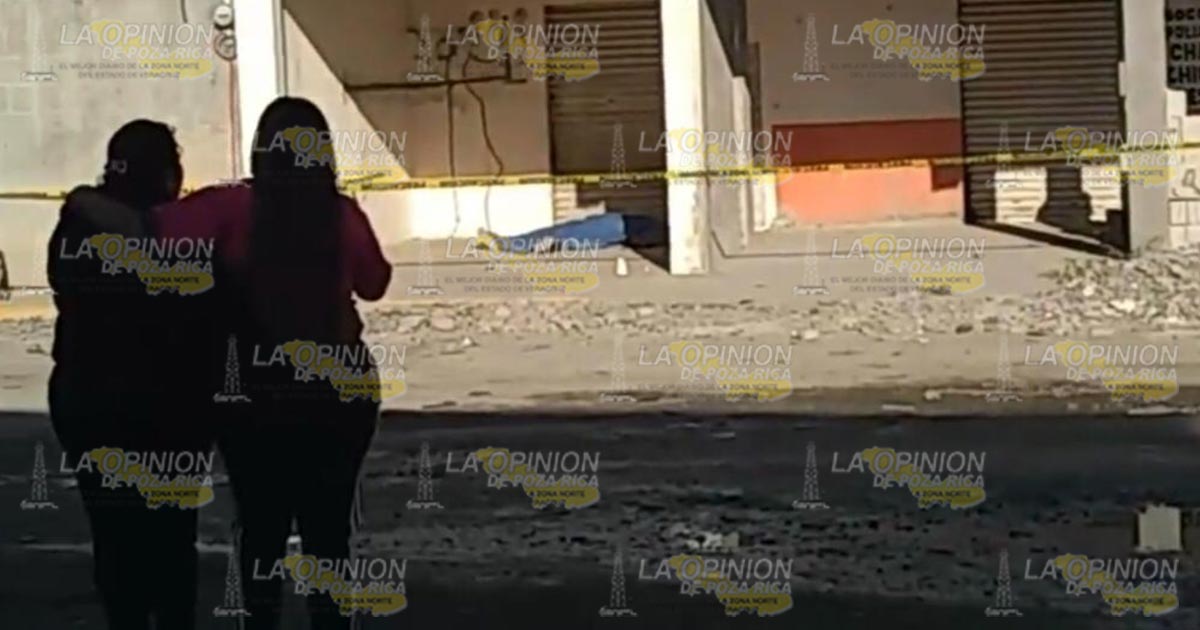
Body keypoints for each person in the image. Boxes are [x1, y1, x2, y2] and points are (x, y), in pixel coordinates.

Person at [156, 96, 392, 629]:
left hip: (257, 393)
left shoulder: (229, 208)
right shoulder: (341, 213)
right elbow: (375, 283)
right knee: (329, 531)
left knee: (261, 528)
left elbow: (154, 232)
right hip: (340, 391)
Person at [47, 119, 205, 630]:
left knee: (114, 534)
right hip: (165, 410)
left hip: (90, 403)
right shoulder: (177, 234)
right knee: (173, 537)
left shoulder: (76, 225)